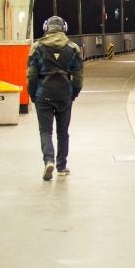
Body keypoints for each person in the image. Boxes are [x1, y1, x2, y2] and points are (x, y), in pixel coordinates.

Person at [26, 15, 84, 181]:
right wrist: (74, 93)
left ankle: (48, 160)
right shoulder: (73, 48)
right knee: (63, 132)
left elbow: (31, 75)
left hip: (43, 94)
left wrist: (33, 94)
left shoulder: (37, 47)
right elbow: (78, 76)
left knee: (45, 131)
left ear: (46, 28)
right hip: (64, 94)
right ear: (64, 28)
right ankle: (61, 166)